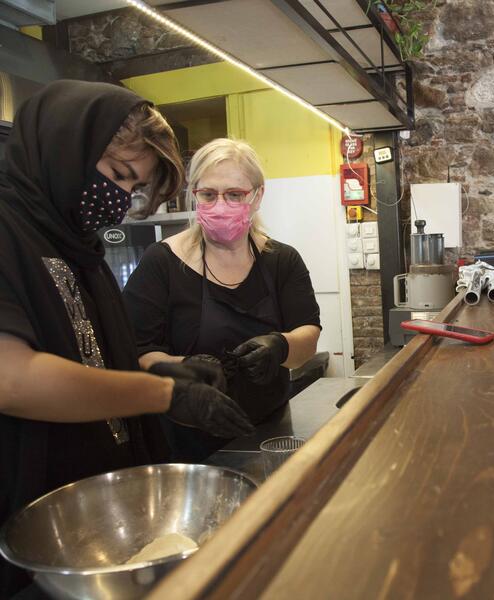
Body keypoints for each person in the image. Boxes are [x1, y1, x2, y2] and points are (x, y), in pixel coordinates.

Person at [0, 81, 253, 596]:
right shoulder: (7, 230)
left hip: (93, 519)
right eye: (117, 175)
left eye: (132, 188)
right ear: (66, 144)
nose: (118, 199)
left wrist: (157, 372)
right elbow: (14, 377)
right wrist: (161, 395)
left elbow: (85, 360)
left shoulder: (74, 245)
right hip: (32, 521)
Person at [122, 138, 321, 461]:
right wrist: (184, 367)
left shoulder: (282, 261)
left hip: (269, 435)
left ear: (257, 196)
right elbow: (137, 352)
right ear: (194, 194)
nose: (220, 205)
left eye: (234, 195)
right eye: (209, 194)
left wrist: (280, 346)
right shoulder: (162, 264)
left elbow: (308, 337)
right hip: (186, 442)